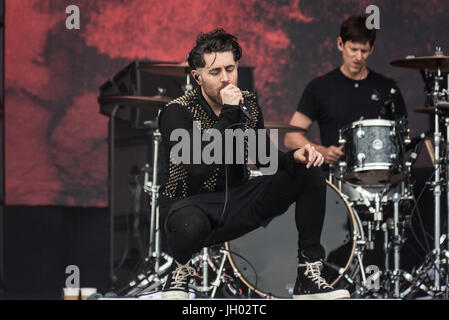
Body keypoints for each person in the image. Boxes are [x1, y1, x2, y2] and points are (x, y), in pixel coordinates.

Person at [157, 28, 350, 300]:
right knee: (190, 223)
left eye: (230, 69)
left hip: (237, 200)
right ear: (197, 76)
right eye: (215, 73)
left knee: (307, 170)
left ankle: (308, 275)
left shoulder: (247, 102)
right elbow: (198, 167)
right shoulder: (177, 111)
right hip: (189, 205)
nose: (226, 79)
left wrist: (293, 157)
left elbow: (263, 158)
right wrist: (230, 113)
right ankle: (180, 270)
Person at [284, 15, 408, 165]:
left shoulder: (387, 87)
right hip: (334, 176)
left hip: (379, 175)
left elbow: (402, 138)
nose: (358, 57)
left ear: (371, 49)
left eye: (364, 51)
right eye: (353, 49)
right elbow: (291, 137)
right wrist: (321, 150)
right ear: (340, 44)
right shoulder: (319, 87)